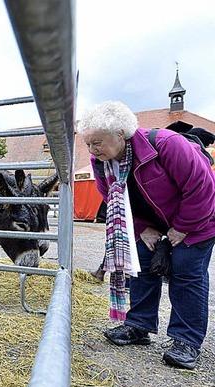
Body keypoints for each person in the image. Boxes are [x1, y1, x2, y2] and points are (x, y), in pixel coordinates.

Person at [78, 101, 215, 370]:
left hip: (198, 219)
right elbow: (111, 197)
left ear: (120, 134)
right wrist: (142, 228)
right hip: (151, 222)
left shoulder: (167, 144)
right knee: (139, 266)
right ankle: (138, 325)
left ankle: (186, 340)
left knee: (186, 272)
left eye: (98, 142)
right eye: (88, 144)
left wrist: (182, 227)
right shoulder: (101, 162)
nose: (93, 151)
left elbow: (202, 188)